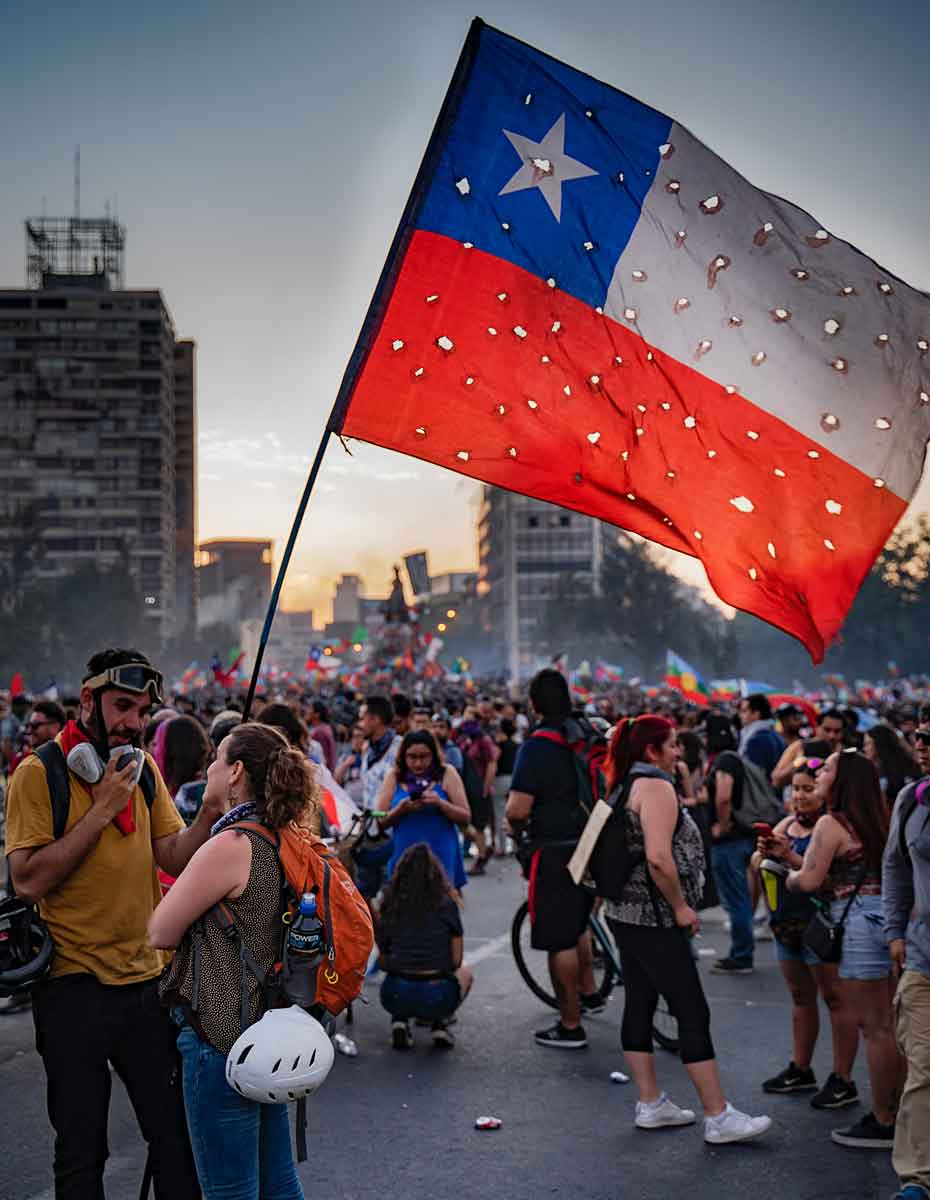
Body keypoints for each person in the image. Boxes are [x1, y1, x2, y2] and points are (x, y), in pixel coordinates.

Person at [5, 648, 211, 1200]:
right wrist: (101, 809)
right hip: (71, 989)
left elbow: (173, 855)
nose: (134, 724)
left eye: (143, 712)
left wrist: (211, 813)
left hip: (147, 984)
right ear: (88, 700)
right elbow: (26, 881)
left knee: (176, 1140)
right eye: (123, 707)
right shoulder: (38, 774)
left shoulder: (141, 771)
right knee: (81, 1153)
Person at [151, 722, 318, 1200]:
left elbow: (160, 930)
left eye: (216, 759)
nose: (208, 768)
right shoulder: (284, 835)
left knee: (230, 1191)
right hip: (267, 1030)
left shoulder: (230, 844)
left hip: (219, 1036)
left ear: (237, 771)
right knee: (279, 1185)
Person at [604, 716, 772, 1143]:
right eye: (673, 744)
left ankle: (650, 1103)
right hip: (655, 917)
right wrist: (680, 907)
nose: (679, 752)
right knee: (691, 1009)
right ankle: (717, 1115)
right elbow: (659, 858)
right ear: (651, 750)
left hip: (625, 912)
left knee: (639, 1002)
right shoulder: (655, 787)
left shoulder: (625, 781)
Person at [787, 749, 905, 1149]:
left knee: (875, 1027)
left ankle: (884, 1119)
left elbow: (809, 881)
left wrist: (787, 874)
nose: (819, 774)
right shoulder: (880, 820)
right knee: (891, 1024)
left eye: (827, 769)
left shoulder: (831, 823)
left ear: (842, 781)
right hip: (889, 920)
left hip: (856, 924)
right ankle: (900, 1110)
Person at [753, 757, 859, 1108]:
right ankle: (801, 1068)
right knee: (800, 997)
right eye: (795, 789)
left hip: (821, 928)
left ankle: (843, 1079)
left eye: (808, 788)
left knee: (835, 999)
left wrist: (789, 858)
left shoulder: (831, 828)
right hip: (787, 926)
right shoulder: (785, 826)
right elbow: (759, 867)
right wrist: (763, 854)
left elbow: (822, 880)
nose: (800, 796)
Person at [506, 669, 598, 1048]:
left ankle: (570, 1024)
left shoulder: (537, 746)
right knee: (579, 923)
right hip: (591, 842)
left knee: (559, 939)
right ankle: (589, 991)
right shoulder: (585, 734)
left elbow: (517, 809)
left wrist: (514, 826)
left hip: (555, 849)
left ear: (534, 704)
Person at [884, 746, 930, 1200]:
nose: (922, 746)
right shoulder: (912, 800)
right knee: (923, 1069)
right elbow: (894, 867)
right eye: (919, 735)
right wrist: (894, 929)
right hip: (923, 959)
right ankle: (918, 1178)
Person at [376, 842, 473, 1049]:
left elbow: (383, 961)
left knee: (398, 973)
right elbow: (456, 961)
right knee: (466, 971)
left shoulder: (390, 903)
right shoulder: (447, 904)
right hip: (438, 993)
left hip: (395, 993)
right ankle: (440, 1023)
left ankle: (399, 1020)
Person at [375, 730, 470, 892]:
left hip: (441, 854)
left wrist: (440, 803)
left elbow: (466, 817)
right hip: (403, 855)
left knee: (442, 904)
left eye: (424, 757)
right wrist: (401, 809)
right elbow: (380, 822)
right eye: (412, 757)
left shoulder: (446, 773)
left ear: (433, 755)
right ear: (403, 756)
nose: (418, 763)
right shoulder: (394, 776)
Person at [455, 706, 499, 876]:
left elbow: (492, 763)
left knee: (479, 825)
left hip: (479, 788)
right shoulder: (463, 739)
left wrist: (486, 787)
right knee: (465, 824)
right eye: (465, 717)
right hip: (465, 788)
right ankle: (484, 849)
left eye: (470, 718)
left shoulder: (483, 740)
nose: (466, 721)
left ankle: (481, 857)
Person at [864, 723, 919, 808]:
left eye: (867, 744)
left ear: (879, 744)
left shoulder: (903, 771)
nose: (864, 749)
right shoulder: (870, 771)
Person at [334, 723, 366, 808]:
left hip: (365, 804)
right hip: (349, 804)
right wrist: (345, 765)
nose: (356, 740)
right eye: (354, 737)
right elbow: (336, 780)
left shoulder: (371, 756)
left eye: (359, 736)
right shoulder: (346, 756)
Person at [308, 699, 337, 771]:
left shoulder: (320, 732)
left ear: (317, 714)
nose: (307, 711)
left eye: (310, 709)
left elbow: (324, 758)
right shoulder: (325, 727)